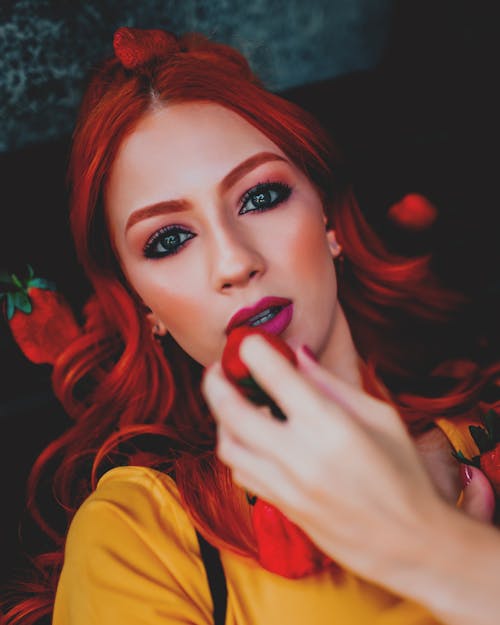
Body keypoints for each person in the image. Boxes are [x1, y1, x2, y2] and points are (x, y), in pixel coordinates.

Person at [3, 26, 499, 625]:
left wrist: (444, 557)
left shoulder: (486, 410)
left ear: (328, 220)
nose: (236, 262)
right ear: (145, 307)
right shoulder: (138, 540)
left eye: (260, 197)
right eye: (168, 239)